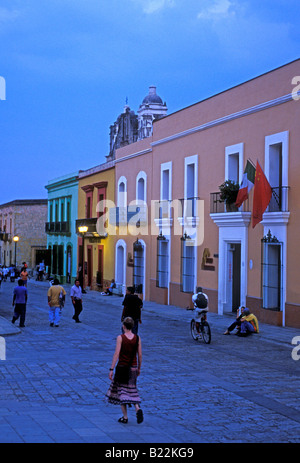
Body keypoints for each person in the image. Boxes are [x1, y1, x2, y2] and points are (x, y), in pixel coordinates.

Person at [106, 317, 143, 425]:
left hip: (122, 367)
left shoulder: (120, 338)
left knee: (122, 392)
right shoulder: (137, 338)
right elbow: (139, 355)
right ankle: (137, 407)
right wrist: (139, 367)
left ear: (123, 326)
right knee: (132, 389)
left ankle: (125, 417)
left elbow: (116, 354)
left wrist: (111, 369)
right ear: (132, 326)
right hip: (133, 367)